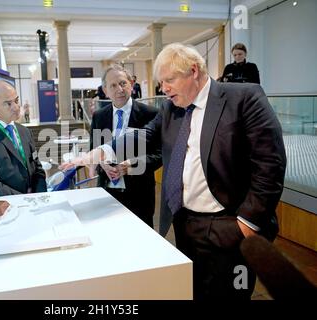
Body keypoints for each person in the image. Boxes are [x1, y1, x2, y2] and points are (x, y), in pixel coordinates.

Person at [61, 43, 286, 300]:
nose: (163, 88)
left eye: (169, 80)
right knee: (194, 291)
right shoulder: (171, 107)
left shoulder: (244, 97)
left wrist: (246, 224)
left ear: (193, 71)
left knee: (231, 294)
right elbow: (144, 137)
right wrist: (98, 153)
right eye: (161, 82)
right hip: (186, 224)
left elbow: (270, 165)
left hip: (230, 225)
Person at [90, 65, 162, 228]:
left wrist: (131, 165)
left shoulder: (150, 114)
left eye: (123, 83)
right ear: (105, 90)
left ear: (131, 84)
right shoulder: (99, 117)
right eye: (113, 85)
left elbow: (160, 155)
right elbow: (94, 149)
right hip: (107, 192)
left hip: (139, 196)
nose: (119, 89)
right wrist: (102, 163)